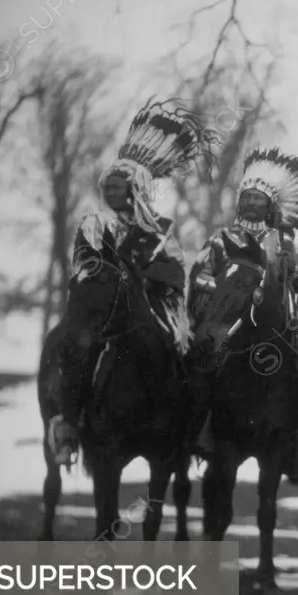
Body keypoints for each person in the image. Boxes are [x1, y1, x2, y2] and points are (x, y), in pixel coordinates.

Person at [46, 99, 217, 467]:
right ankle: (70, 428)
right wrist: (112, 275)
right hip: (98, 310)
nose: (110, 192)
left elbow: (173, 273)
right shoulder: (94, 224)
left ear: (134, 190)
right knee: (75, 349)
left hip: (150, 307)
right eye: (107, 186)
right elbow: (85, 267)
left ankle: (184, 430)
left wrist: (146, 278)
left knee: (183, 354)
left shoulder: (159, 230)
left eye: (118, 187)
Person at [187, 147, 298, 463]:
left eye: (258, 199)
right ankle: (200, 429)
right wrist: (218, 296)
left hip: (273, 323)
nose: (250, 202)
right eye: (246, 197)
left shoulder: (284, 244)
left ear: (269, 206)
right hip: (226, 318)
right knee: (203, 362)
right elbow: (200, 277)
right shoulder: (221, 240)